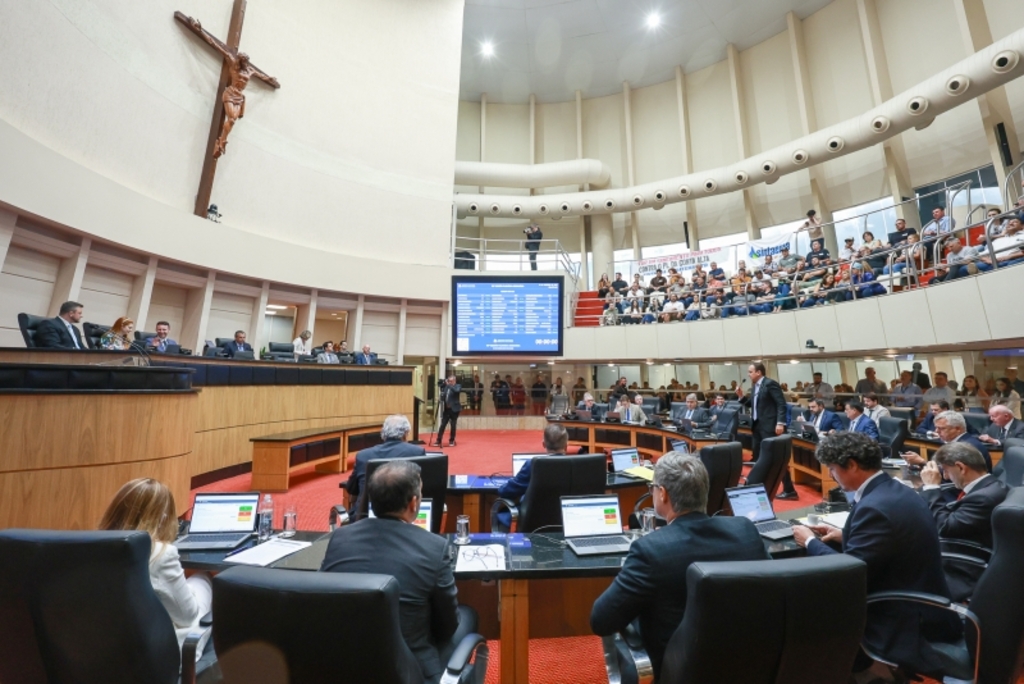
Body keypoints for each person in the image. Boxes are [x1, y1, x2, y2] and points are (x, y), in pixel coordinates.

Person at [791, 433, 961, 679]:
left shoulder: (874, 507)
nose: (830, 475)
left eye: (833, 468)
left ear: (852, 465)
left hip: (903, 613)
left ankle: (859, 671)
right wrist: (845, 535)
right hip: (920, 593)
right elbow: (891, 541)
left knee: (806, 606)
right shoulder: (897, 490)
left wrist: (809, 541)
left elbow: (851, 573)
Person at [590, 452, 768, 679]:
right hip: (749, 668)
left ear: (663, 494)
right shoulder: (745, 531)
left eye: (653, 488)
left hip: (679, 671)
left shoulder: (650, 550)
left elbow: (601, 620)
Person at [322, 461, 477, 684]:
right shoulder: (434, 547)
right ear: (413, 503)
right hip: (410, 672)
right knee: (468, 615)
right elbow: (448, 626)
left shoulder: (340, 537)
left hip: (345, 665)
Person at [99, 478, 213, 661]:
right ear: (163, 517)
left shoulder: (92, 548)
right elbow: (188, 617)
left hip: (104, 653)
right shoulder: (161, 554)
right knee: (203, 579)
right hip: (153, 657)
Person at [920, 442, 1008, 548]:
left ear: (961, 467)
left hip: (964, 550)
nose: (946, 477)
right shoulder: (988, 485)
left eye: (946, 470)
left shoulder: (984, 498)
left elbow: (944, 528)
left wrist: (931, 487)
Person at [346, 414, 426, 519]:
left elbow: (351, 488)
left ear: (383, 434)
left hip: (364, 517)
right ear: (406, 434)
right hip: (403, 514)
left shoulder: (363, 455)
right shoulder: (417, 452)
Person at [737, 362, 797, 498]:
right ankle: (758, 487)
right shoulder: (755, 386)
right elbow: (753, 405)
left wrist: (780, 423)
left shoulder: (770, 384)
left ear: (759, 372)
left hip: (770, 427)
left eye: (750, 372)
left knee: (775, 458)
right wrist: (741, 396)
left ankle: (789, 490)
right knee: (758, 457)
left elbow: (781, 403)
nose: (748, 374)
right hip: (757, 426)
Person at [495, 424, 568, 530]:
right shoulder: (578, 467)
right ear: (566, 446)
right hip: (566, 523)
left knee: (502, 513)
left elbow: (505, 491)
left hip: (534, 525)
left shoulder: (533, 465)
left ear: (543, 444)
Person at [905, 411, 992, 473]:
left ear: (957, 429)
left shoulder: (967, 447)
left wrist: (923, 462)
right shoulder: (957, 442)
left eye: (942, 428)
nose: (936, 432)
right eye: (936, 428)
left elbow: (950, 475)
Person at [434, 376, 462, 447]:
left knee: (453, 425)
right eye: (448, 381)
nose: (449, 382)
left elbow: (456, 391)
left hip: (454, 409)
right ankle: (438, 440)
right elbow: (444, 395)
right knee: (443, 424)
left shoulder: (458, 386)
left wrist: (449, 385)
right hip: (447, 409)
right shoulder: (446, 387)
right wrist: (440, 398)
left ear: (454, 381)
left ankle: (451, 440)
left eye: (451, 381)